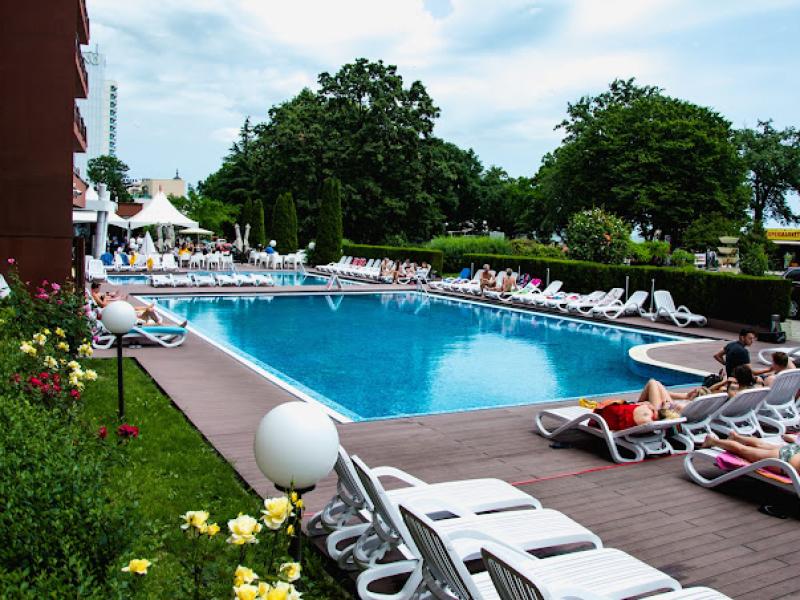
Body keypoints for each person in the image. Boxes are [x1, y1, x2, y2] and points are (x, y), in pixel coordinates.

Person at [702, 431, 800, 471]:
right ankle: (712, 441)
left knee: (762, 445)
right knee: (743, 450)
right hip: (785, 459)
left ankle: (736, 437)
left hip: (794, 450)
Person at [90, 282, 175, 327]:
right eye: (99, 288)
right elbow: (103, 304)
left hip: (129, 316)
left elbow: (104, 296)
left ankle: (148, 310)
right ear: (95, 288)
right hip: (121, 315)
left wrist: (109, 295)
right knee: (136, 309)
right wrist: (107, 297)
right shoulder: (95, 295)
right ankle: (151, 314)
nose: (99, 289)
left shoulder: (96, 294)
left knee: (140, 311)